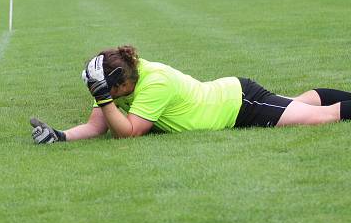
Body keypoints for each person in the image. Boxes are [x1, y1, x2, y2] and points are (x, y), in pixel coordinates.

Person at [31, 45, 351, 143]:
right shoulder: (116, 83)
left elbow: (127, 133)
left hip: (237, 105)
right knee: (299, 103)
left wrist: (104, 99)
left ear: (123, 83)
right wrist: (60, 136)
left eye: (110, 92)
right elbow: (97, 125)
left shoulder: (154, 82)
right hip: (232, 97)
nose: (107, 97)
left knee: (322, 118)